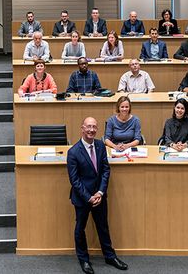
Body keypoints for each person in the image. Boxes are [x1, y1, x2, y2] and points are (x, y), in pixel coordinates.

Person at [67, 117, 128, 274]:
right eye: (88, 127)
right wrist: (89, 197)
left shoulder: (101, 146)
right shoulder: (73, 152)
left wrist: (100, 192)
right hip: (82, 198)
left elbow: (106, 170)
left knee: (103, 227)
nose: (91, 130)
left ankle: (109, 256)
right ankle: (84, 260)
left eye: (94, 127)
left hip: (100, 196)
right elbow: (74, 180)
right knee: (80, 229)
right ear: (82, 128)